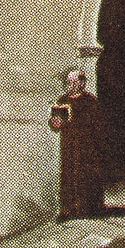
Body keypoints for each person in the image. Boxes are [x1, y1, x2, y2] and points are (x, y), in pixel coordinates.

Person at [50, 69, 108, 220]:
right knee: (69, 174)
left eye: (74, 82)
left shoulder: (90, 100)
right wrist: (55, 122)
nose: (71, 85)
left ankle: (89, 207)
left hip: (87, 145)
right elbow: (54, 120)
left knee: (87, 175)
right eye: (68, 82)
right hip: (69, 144)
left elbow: (97, 123)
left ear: (82, 83)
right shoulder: (62, 99)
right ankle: (68, 208)